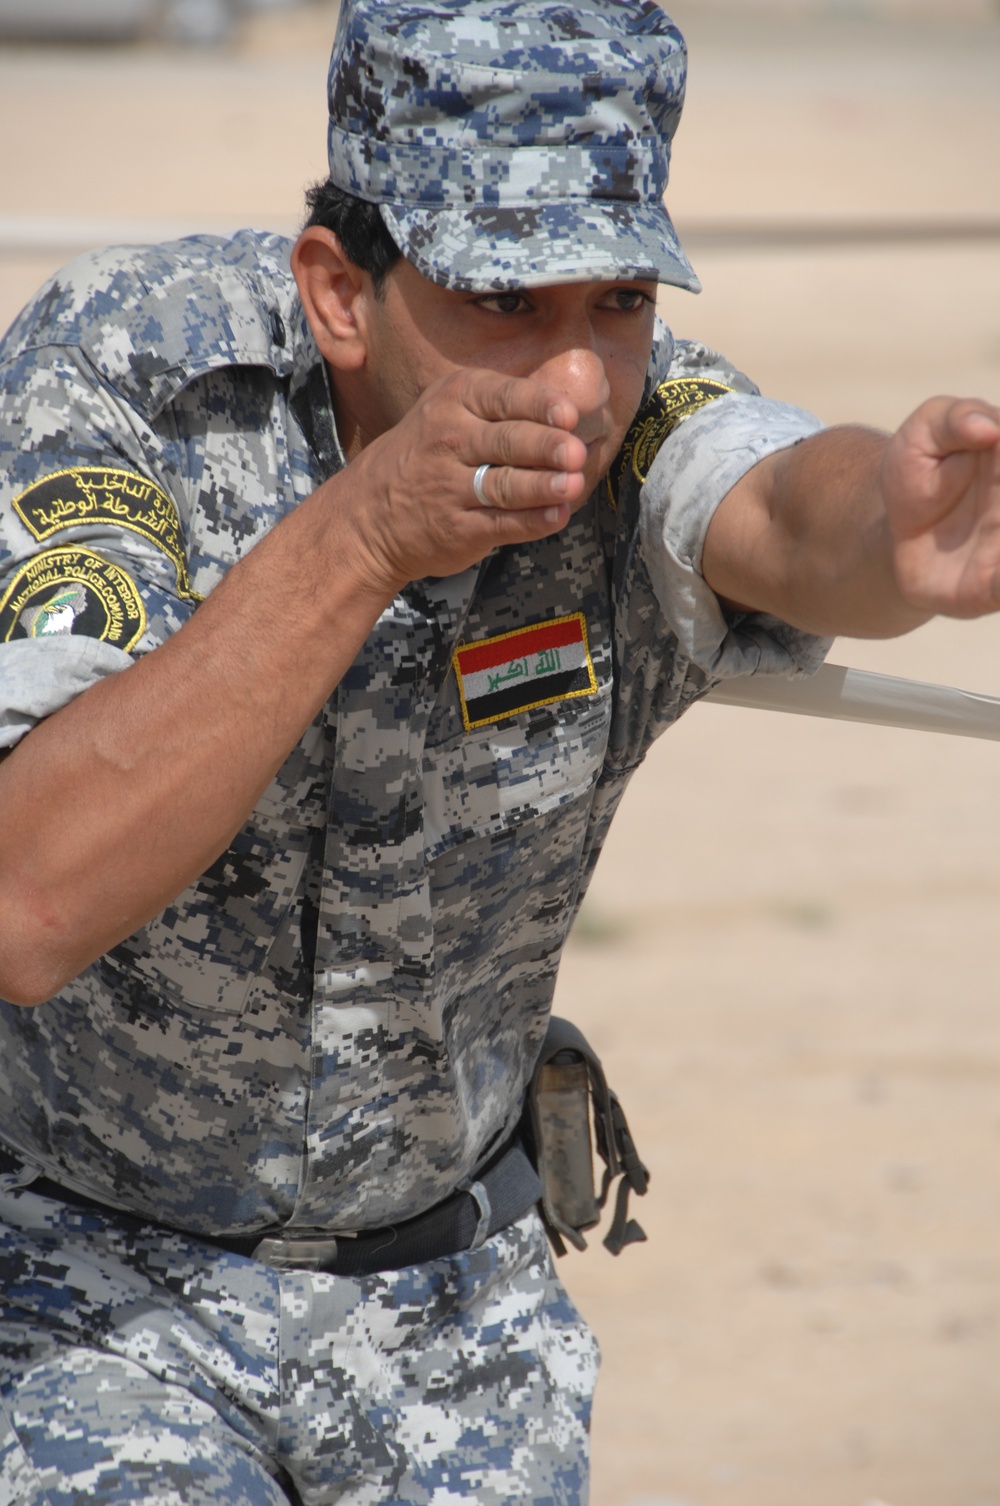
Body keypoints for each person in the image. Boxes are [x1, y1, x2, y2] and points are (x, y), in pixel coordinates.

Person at [0, 1, 997, 1502]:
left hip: (456, 1296)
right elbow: (29, 896)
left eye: (618, 299)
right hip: (90, 1285)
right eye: (506, 302)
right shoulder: (130, 383)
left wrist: (900, 528)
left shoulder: (629, 415)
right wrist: (364, 534)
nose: (579, 380)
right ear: (345, 290)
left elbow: (783, 508)